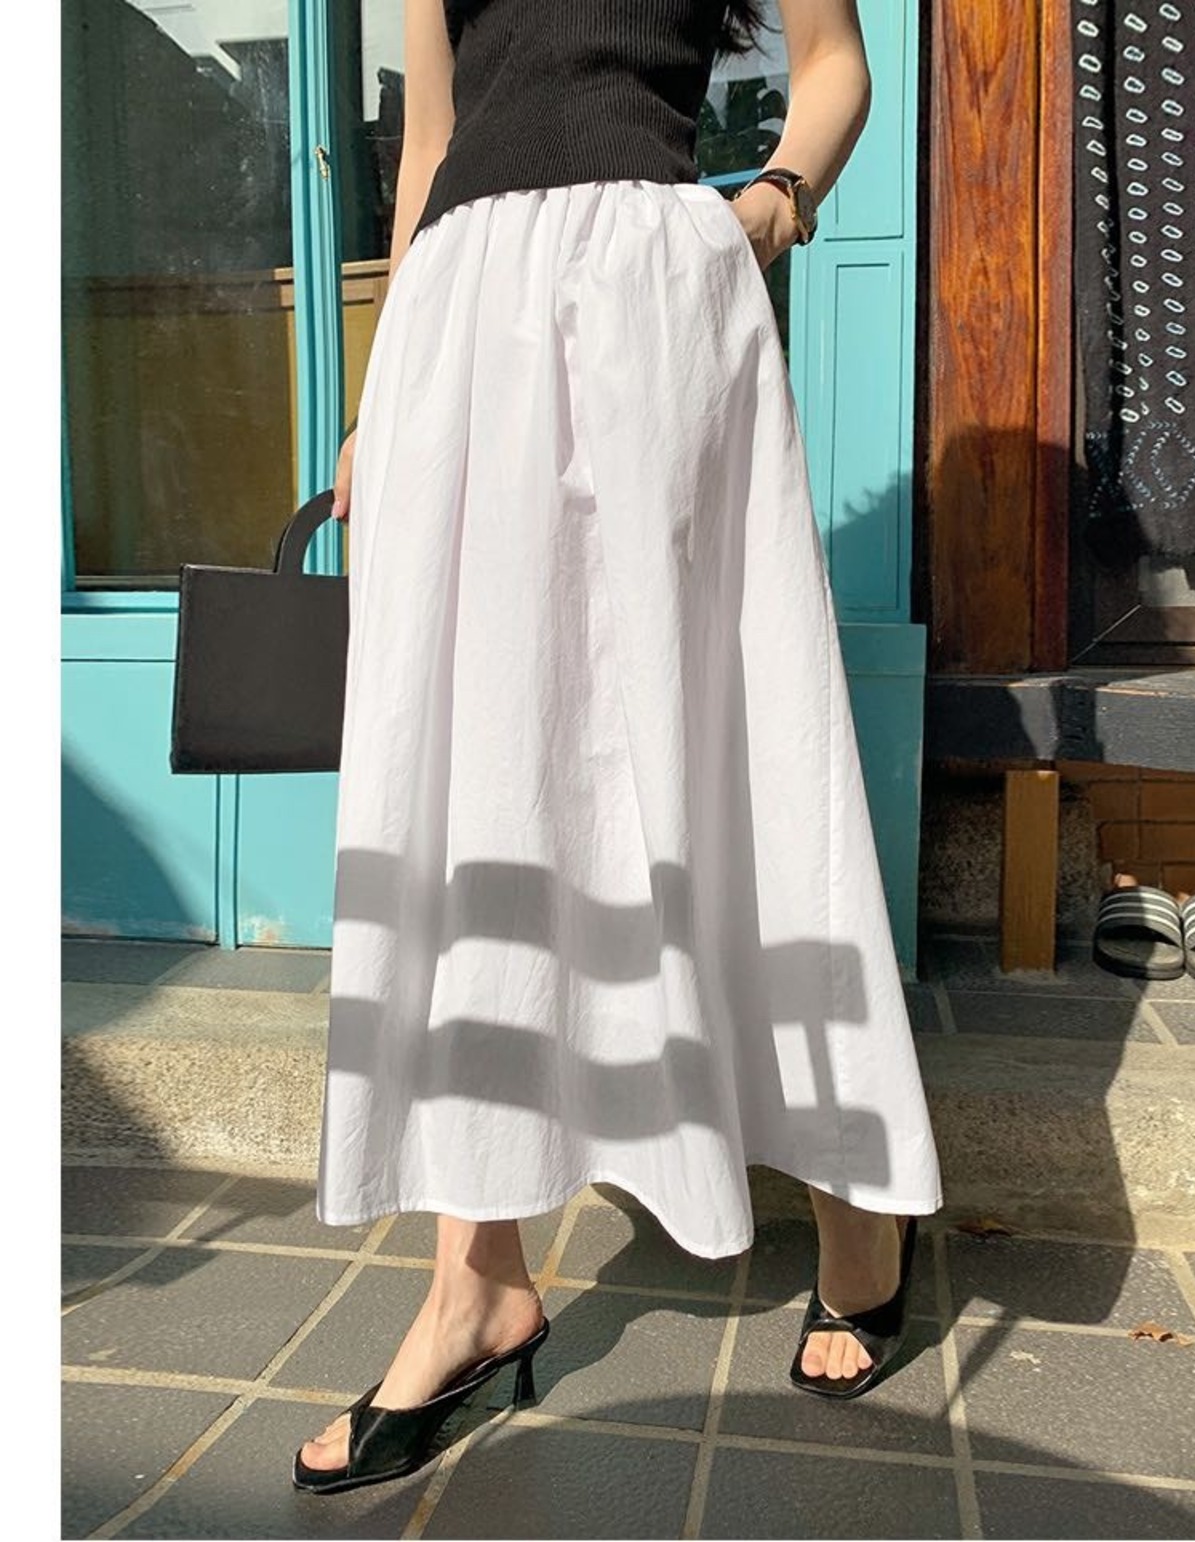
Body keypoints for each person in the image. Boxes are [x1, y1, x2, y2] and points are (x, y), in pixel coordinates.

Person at [294, 0, 942, 1496]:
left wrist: (768, 208)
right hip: (460, 318)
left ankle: (856, 1191)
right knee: (480, 782)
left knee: (736, 735)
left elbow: (835, 65)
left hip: (655, 291)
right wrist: (382, 391)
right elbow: (434, 141)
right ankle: (476, 1280)